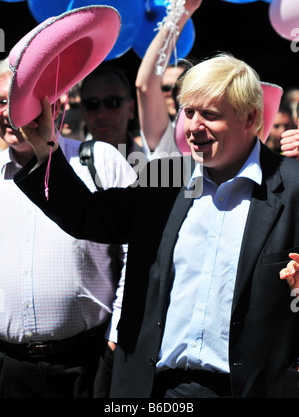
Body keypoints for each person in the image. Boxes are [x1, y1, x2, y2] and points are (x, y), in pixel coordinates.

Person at [15, 53, 299, 398]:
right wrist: (45, 148)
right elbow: (88, 215)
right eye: (189, 112)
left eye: (210, 115)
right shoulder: (163, 180)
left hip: (254, 388)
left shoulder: (292, 186)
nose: (194, 127)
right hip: (158, 390)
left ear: (251, 118)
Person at [0, 57, 136, 398]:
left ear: (53, 104)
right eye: (2, 101)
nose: (9, 111)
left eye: (18, 99)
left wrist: (116, 341)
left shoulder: (100, 160)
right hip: (9, 371)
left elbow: (139, 255)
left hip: (88, 365)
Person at [135, 0, 204, 159]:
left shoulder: (223, 134)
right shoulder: (168, 138)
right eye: (166, 88)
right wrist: (179, 13)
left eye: (183, 88)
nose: (177, 95)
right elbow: (146, 86)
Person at [80, 65, 143, 160]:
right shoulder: (69, 166)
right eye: (91, 104)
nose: (101, 113)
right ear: (82, 111)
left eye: (112, 102)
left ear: (131, 108)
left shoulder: (155, 164)